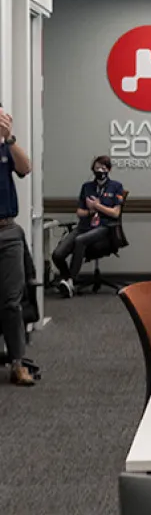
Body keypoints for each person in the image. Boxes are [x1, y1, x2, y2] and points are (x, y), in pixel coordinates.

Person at [52, 155, 125, 298]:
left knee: (80, 240)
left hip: (104, 227)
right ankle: (68, 280)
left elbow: (116, 213)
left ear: (109, 170)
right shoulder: (87, 187)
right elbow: (80, 212)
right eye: (97, 168)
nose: (100, 170)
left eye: (103, 168)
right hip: (84, 226)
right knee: (58, 254)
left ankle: (70, 282)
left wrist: (98, 206)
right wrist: (90, 211)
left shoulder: (116, 186)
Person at [0, 107, 34, 386]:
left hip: (7, 231)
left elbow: (25, 168)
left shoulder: (6, 147)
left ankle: (17, 363)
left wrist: (9, 139)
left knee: (12, 302)